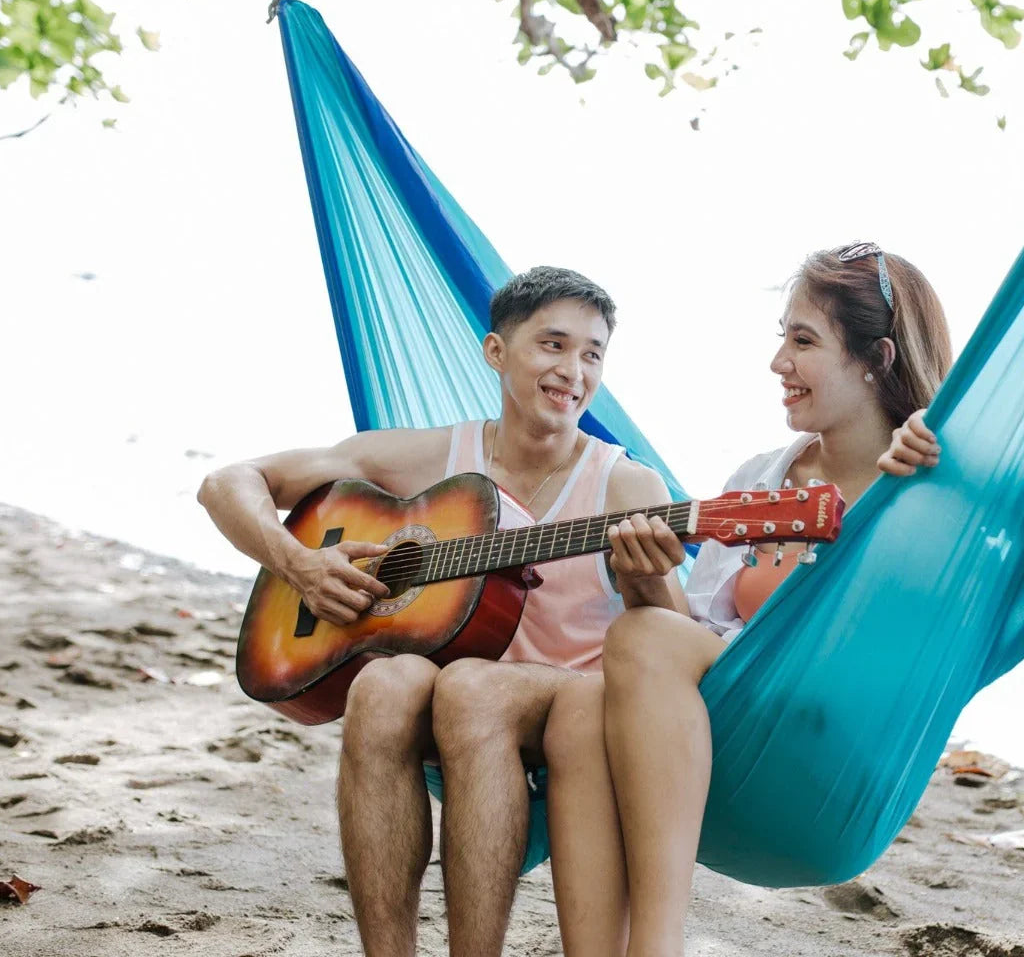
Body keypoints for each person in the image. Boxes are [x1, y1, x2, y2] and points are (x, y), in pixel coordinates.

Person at [197, 266, 682, 957]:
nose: (574, 369)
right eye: (553, 344)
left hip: (570, 705)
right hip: (449, 693)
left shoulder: (625, 483)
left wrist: (646, 582)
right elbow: (229, 482)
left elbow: (675, 638)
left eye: (593, 353)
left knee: (470, 686)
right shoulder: (429, 459)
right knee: (382, 682)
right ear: (496, 351)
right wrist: (299, 564)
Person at [540, 242, 952, 957]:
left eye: (803, 340)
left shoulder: (935, 488)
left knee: (637, 640)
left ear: (876, 358)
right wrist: (644, 582)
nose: (778, 363)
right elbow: (691, 646)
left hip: (832, 767)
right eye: (781, 338)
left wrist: (952, 464)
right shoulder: (761, 479)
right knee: (584, 702)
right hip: (728, 749)